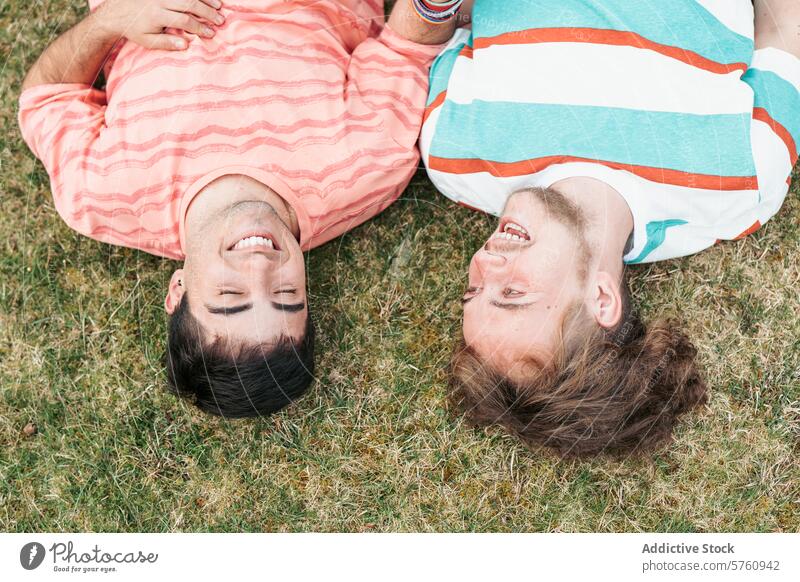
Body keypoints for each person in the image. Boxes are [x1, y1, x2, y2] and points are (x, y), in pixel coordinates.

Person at [19, 0, 462, 417]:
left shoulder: (100, 195)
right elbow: (409, 44)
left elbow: (46, 98)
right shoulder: (366, 166)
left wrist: (110, 21)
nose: (259, 268)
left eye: (230, 296)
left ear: (177, 294)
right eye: (286, 296)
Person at [420, 0, 800, 456]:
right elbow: (785, 27)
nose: (483, 261)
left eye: (473, 289)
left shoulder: (453, 154)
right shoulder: (738, 185)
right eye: (512, 293)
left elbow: (444, 17)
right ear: (602, 298)